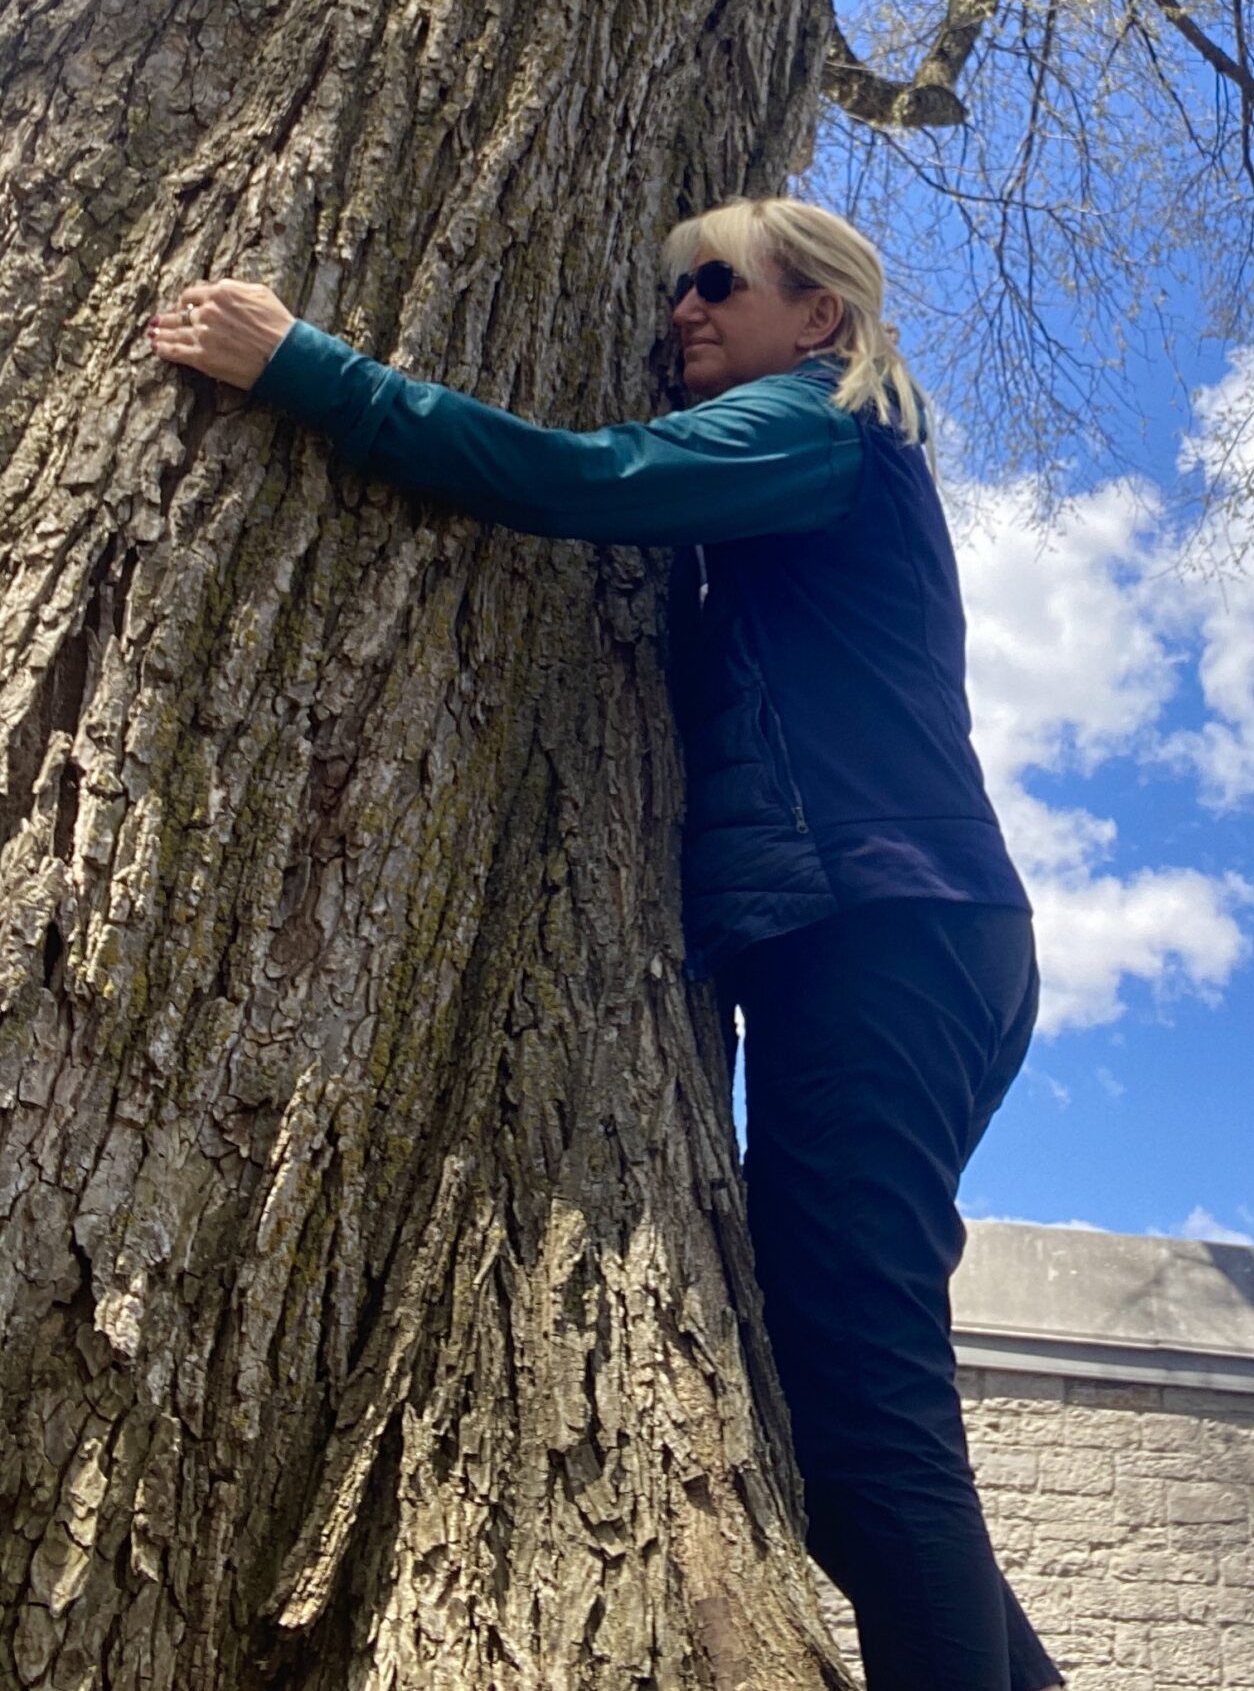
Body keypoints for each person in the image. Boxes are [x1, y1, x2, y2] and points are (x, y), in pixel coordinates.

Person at [148, 197, 1062, 1691]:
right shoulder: (801, 453)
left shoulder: (820, 427)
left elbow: (584, 477)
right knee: (837, 1435)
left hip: (885, 929)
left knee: (869, 1416)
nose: (682, 311)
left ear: (817, 317)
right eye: (675, 292)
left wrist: (312, 370)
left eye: (717, 284)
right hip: (893, 941)